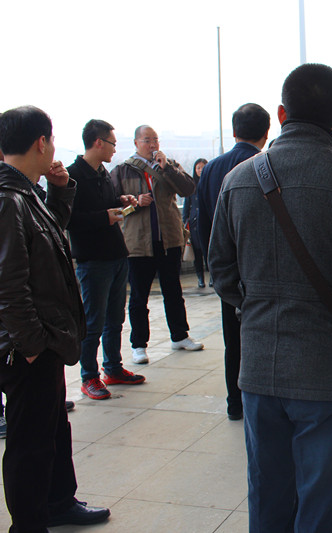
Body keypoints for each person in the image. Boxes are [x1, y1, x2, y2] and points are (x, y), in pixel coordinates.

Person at [208, 63, 332, 533]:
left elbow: (221, 272)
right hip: (329, 368)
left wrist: (258, 310)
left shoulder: (238, 180)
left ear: (281, 113)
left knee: (268, 491)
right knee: (324, 498)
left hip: (258, 366)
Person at [0, 106, 110, 529]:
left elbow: (48, 237)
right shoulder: (8, 199)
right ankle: (29, 523)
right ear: (41, 142)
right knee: (30, 443)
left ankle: (59, 501)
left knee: (52, 430)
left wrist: (61, 191)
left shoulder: (26, 193)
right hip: (29, 345)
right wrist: (32, 345)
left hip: (45, 338)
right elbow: (9, 286)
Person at [197, 103, 270, 421]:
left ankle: (234, 403)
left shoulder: (212, 168)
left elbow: (201, 223)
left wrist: (214, 266)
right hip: (262, 272)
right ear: (267, 132)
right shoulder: (265, 166)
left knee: (233, 342)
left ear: (234, 130)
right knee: (264, 340)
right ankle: (260, 404)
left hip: (227, 272)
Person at [110, 125, 203, 365]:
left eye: (155, 140)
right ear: (136, 143)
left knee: (173, 291)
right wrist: (134, 203)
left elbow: (188, 188)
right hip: (138, 243)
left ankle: (180, 336)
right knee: (139, 297)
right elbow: (113, 207)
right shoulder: (122, 170)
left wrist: (168, 168)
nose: (152, 144)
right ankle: (139, 345)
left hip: (169, 239)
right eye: (147, 140)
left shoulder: (168, 165)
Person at [67, 119, 146, 401]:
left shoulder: (102, 173)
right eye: (112, 143)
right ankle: (89, 376)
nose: (115, 149)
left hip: (116, 254)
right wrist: (104, 216)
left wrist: (122, 201)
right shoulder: (72, 176)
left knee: (115, 319)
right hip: (93, 260)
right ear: (98, 142)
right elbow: (69, 220)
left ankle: (113, 368)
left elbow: (107, 207)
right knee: (93, 323)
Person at [182, 158, 209, 288]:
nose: (200, 170)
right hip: (194, 223)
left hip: (208, 221)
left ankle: (212, 276)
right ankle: (200, 278)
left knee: (209, 251)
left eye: (203, 167)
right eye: (198, 168)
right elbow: (187, 205)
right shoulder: (191, 185)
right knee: (197, 252)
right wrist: (185, 221)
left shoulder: (210, 183)